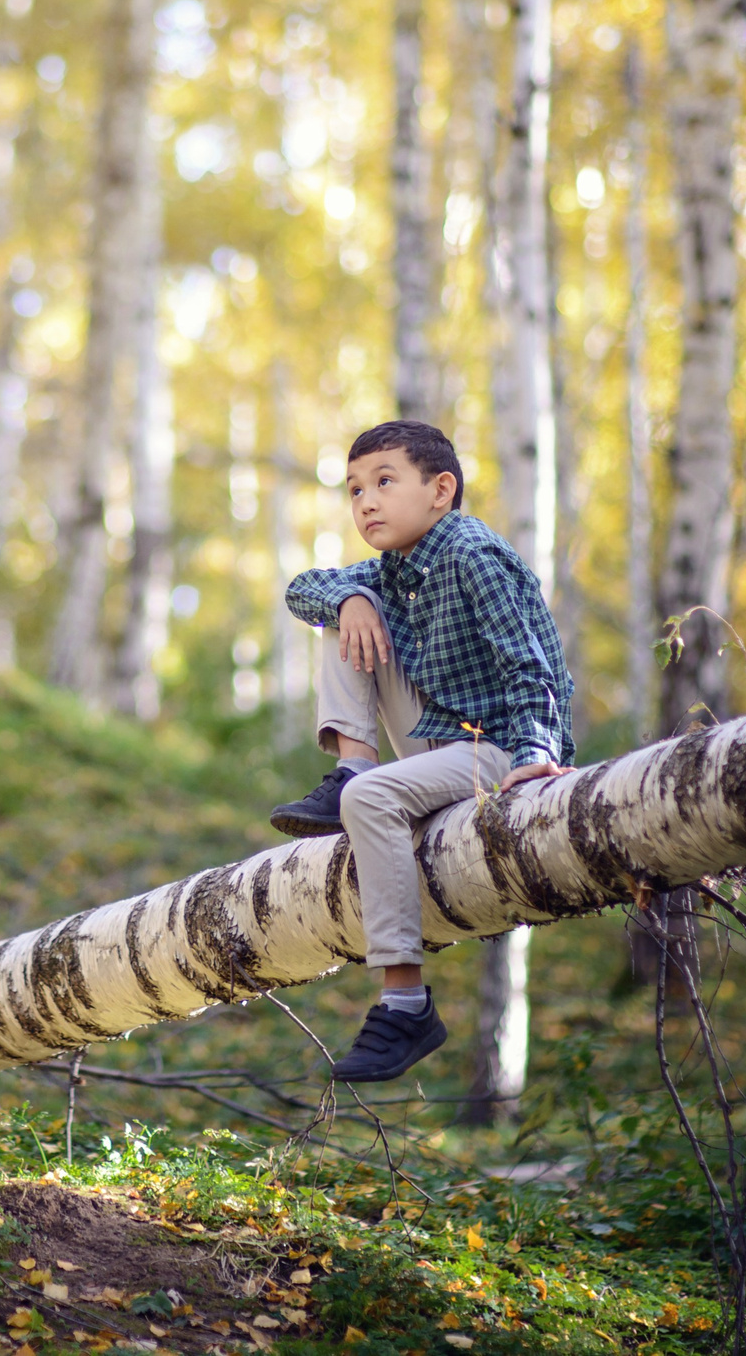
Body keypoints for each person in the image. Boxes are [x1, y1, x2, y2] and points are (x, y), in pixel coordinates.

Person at [271, 419, 574, 1082]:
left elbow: (533, 669)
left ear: (441, 490)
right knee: (339, 612)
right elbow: (302, 586)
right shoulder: (392, 567)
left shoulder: (471, 554)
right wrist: (351, 596)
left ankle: (406, 1003)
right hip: (437, 743)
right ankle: (352, 762)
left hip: (494, 747)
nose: (366, 502)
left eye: (383, 481)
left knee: (371, 797)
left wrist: (537, 752)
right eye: (354, 491)